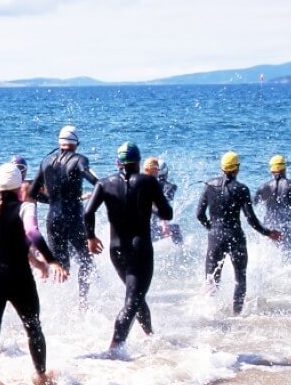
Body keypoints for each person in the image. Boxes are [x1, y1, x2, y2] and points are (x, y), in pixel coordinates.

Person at [0, 163, 67, 385]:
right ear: (18, 185)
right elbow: (32, 233)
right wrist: (51, 261)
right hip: (19, 275)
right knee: (32, 326)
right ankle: (41, 376)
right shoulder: (26, 208)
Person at [85, 143, 172, 354]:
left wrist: (91, 238)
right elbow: (167, 214)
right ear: (138, 162)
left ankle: (150, 335)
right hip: (139, 249)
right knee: (133, 298)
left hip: (116, 250)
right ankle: (115, 346)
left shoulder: (104, 184)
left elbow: (87, 213)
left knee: (135, 295)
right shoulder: (149, 181)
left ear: (118, 162)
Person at [197, 152, 280, 315]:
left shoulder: (209, 186)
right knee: (239, 279)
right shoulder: (242, 189)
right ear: (237, 169)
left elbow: (199, 214)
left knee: (211, 280)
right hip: (235, 236)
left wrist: (212, 228)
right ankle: (236, 315)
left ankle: (207, 315)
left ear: (222, 168)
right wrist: (268, 233)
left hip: (215, 237)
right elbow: (251, 219)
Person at [28, 125, 98, 308]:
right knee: (86, 261)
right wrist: (106, 189)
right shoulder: (79, 160)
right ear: (76, 143)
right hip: (73, 218)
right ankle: (83, 301)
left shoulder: (45, 161)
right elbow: (95, 181)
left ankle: (54, 304)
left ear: (60, 143)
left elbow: (32, 192)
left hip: (53, 219)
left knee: (60, 265)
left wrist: (51, 200)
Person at [143, 157, 182, 245]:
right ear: (166, 172)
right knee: (175, 229)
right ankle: (182, 254)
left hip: (138, 231)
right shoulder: (170, 187)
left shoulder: (142, 184)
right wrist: (164, 222)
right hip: (150, 233)